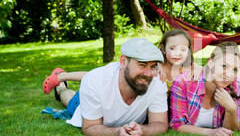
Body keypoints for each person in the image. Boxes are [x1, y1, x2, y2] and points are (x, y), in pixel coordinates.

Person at [43, 38, 169, 136]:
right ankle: (61, 86)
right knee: (71, 101)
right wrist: (118, 132)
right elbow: (90, 127)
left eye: (153, 66)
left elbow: (160, 124)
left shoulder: (157, 80)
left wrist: (143, 130)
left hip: (100, 91)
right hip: (84, 102)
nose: (148, 73)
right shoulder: (95, 80)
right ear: (123, 62)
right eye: (142, 65)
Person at [42, 29, 201, 100]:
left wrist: (198, 67)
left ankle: (62, 83)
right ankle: (61, 81)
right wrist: (155, 66)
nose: (178, 53)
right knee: (73, 98)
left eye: (183, 49)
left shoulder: (188, 69)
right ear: (163, 49)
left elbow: (207, 71)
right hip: (108, 92)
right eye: (172, 48)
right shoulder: (154, 65)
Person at [170, 42, 240, 136]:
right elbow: (177, 125)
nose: (229, 75)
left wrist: (231, 109)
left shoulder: (235, 85)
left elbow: (231, 131)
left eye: (234, 70)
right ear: (211, 62)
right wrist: (210, 133)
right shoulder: (184, 82)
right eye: (224, 66)